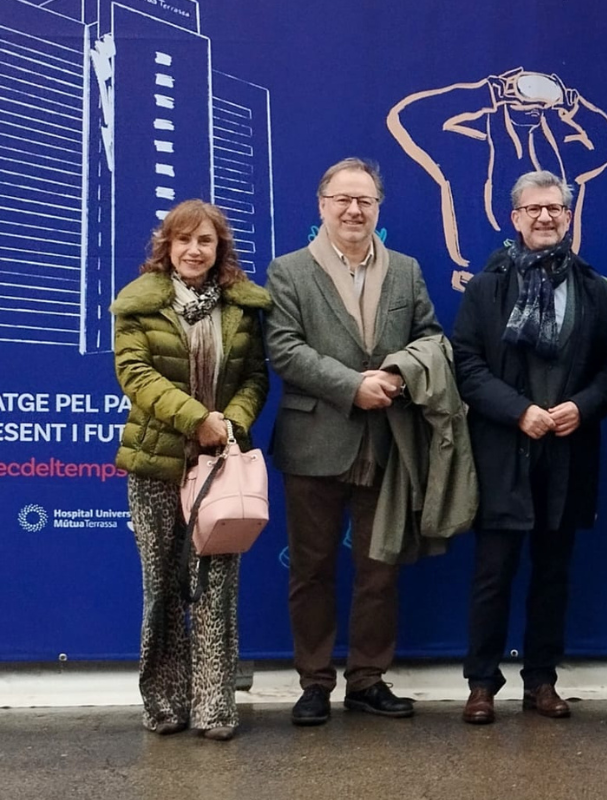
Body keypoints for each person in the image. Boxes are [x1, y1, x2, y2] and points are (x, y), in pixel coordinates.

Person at [266, 158, 442, 726]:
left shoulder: (407, 271)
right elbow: (285, 350)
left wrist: (395, 376)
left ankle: (367, 679)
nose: (353, 210)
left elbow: (432, 340)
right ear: (321, 206)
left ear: (377, 208)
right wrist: (353, 386)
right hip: (313, 440)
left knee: (379, 570)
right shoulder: (288, 271)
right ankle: (314, 682)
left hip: (387, 441)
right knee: (311, 570)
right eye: (342, 199)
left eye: (365, 201)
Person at [451, 170, 607, 724]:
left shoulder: (596, 290)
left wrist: (583, 407)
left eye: (556, 209)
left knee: (553, 575)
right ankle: (481, 684)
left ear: (569, 218)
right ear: (514, 217)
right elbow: (467, 365)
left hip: (568, 454)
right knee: (491, 575)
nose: (546, 218)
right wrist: (518, 410)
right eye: (534, 209)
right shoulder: (486, 286)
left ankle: (541, 681)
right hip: (503, 452)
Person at [111, 199, 271, 742]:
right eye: (184, 241)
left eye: (205, 241)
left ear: (219, 248)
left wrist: (230, 424)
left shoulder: (244, 308)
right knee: (162, 587)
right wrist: (196, 418)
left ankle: (214, 708)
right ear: (168, 247)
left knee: (216, 589)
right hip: (156, 465)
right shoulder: (137, 307)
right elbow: (134, 373)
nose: (194, 250)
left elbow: (256, 378)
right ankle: (164, 703)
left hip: (219, 469)